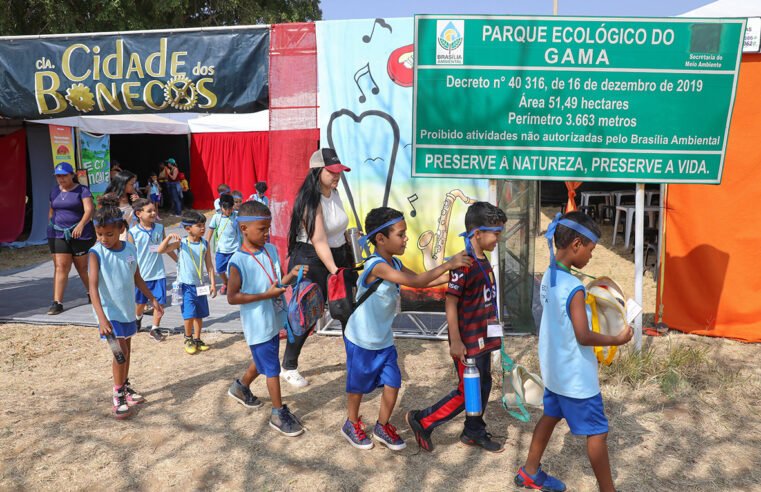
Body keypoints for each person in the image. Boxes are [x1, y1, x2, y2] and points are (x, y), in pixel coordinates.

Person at [514, 212, 633, 492]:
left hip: (555, 370)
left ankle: (529, 471)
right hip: (576, 378)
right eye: (591, 250)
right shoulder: (574, 288)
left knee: (551, 416)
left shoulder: (550, 275)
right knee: (598, 432)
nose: (591, 257)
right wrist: (617, 338)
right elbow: (583, 334)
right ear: (577, 244)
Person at [341, 207, 472, 451]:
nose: (406, 239)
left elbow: (425, 281)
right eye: (401, 235)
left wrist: (455, 272)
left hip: (383, 339)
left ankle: (382, 425)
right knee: (357, 386)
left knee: (393, 382)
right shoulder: (376, 266)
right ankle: (351, 423)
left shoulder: (396, 262)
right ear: (380, 239)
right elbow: (415, 282)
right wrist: (448, 264)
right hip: (361, 339)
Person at [407, 202, 508, 454]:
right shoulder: (464, 264)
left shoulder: (483, 260)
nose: (498, 238)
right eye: (495, 233)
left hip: (483, 339)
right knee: (467, 392)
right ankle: (423, 420)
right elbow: (450, 303)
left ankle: (473, 431)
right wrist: (456, 341)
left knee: (484, 384)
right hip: (467, 343)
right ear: (477, 234)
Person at [225, 200, 306, 437]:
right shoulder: (238, 261)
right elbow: (232, 297)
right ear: (243, 229)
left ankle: (240, 388)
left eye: (268, 228)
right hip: (257, 324)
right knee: (271, 368)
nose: (266, 233)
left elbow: (276, 282)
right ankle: (278, 413)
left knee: (264, 360)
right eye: (261, 229)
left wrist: (290, 275)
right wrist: (265, 295)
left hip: (273, 319)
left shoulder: (270, 250)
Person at [89, 195, 163, 419]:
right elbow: (92, 288)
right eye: (100, 234)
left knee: (127, 350)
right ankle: (118, 394)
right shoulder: (96, 253)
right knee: (119, 353)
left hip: (126, 310)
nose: (104, 238)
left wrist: (152, 298)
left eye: (109, 234)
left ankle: (125, 384)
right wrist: (102, 319)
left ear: (121, 228)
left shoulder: (130, 249)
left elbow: (137, 277)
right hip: (110, 313)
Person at [283, 148, 352, 388]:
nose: (336, 176)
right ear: (316, 172)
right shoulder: (310, 200)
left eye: (339, 172)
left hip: (338, 255)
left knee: (347, 311)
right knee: (307, 312)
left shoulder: (334, 193)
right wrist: (335, 271)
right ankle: (289, 366)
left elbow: (339, 229)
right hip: (312, 259)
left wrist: (347, 257)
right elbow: (319, 239)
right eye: (331, 172)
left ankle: (357, 365)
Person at [158, 210, 217, 354]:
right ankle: (188, 337)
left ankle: (197, 339)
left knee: (200, 314)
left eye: (203, 225)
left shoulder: (204, 243)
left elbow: (209, 265)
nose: (203, 228)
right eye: (199, 225)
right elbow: (161, 250)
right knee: (189, 314)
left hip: (200, 285)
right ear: (187, 228)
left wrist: (213, 283)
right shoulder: (181, 243)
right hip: (185, 285)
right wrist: (169, 237)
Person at [47, 162, 95, 315]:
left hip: (80, 234)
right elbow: (52, 211)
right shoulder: (54, 191)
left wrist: (80, 225)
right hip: (58, 233)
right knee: (61, 266)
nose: (61, 179)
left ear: (72, 175)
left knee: (82, 268)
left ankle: (92, 293)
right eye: (58, 176)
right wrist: (51, 226)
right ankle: (57, 302)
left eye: (64, 175)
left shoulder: (83, 190)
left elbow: (89, 210)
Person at [128, 198, 177, 342]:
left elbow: (165, 248)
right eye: (149, 211)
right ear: (138, 213)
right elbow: (129, 254)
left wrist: (178, 261)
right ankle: (138, 319)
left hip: (158, 273)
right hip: (141, 275)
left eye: (154, 210)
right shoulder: (133, 232)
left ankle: (155, 328)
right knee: (140, 303)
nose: (153, 213)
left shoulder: (160, 228)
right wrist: (129, 271)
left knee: (159, 302)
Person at [206, 194, 239, 295]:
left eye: (230, 208)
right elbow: (210, 231)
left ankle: (235, 287)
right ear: (221, 207)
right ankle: (226, 282)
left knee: (235, 270)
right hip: (221, 249)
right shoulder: (216, 217)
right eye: (226, 209)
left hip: (235, 249)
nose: (228, 211)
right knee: (220, 269)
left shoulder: (237, 216)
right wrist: (205, 244)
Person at [105, 170, 139, 240]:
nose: (134, 187)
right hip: (118, 237)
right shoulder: (109, 199)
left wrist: (138, 202)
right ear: (122, 184)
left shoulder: (133, 196)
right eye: (131, 184)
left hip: (135, 235)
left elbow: (141, 214)